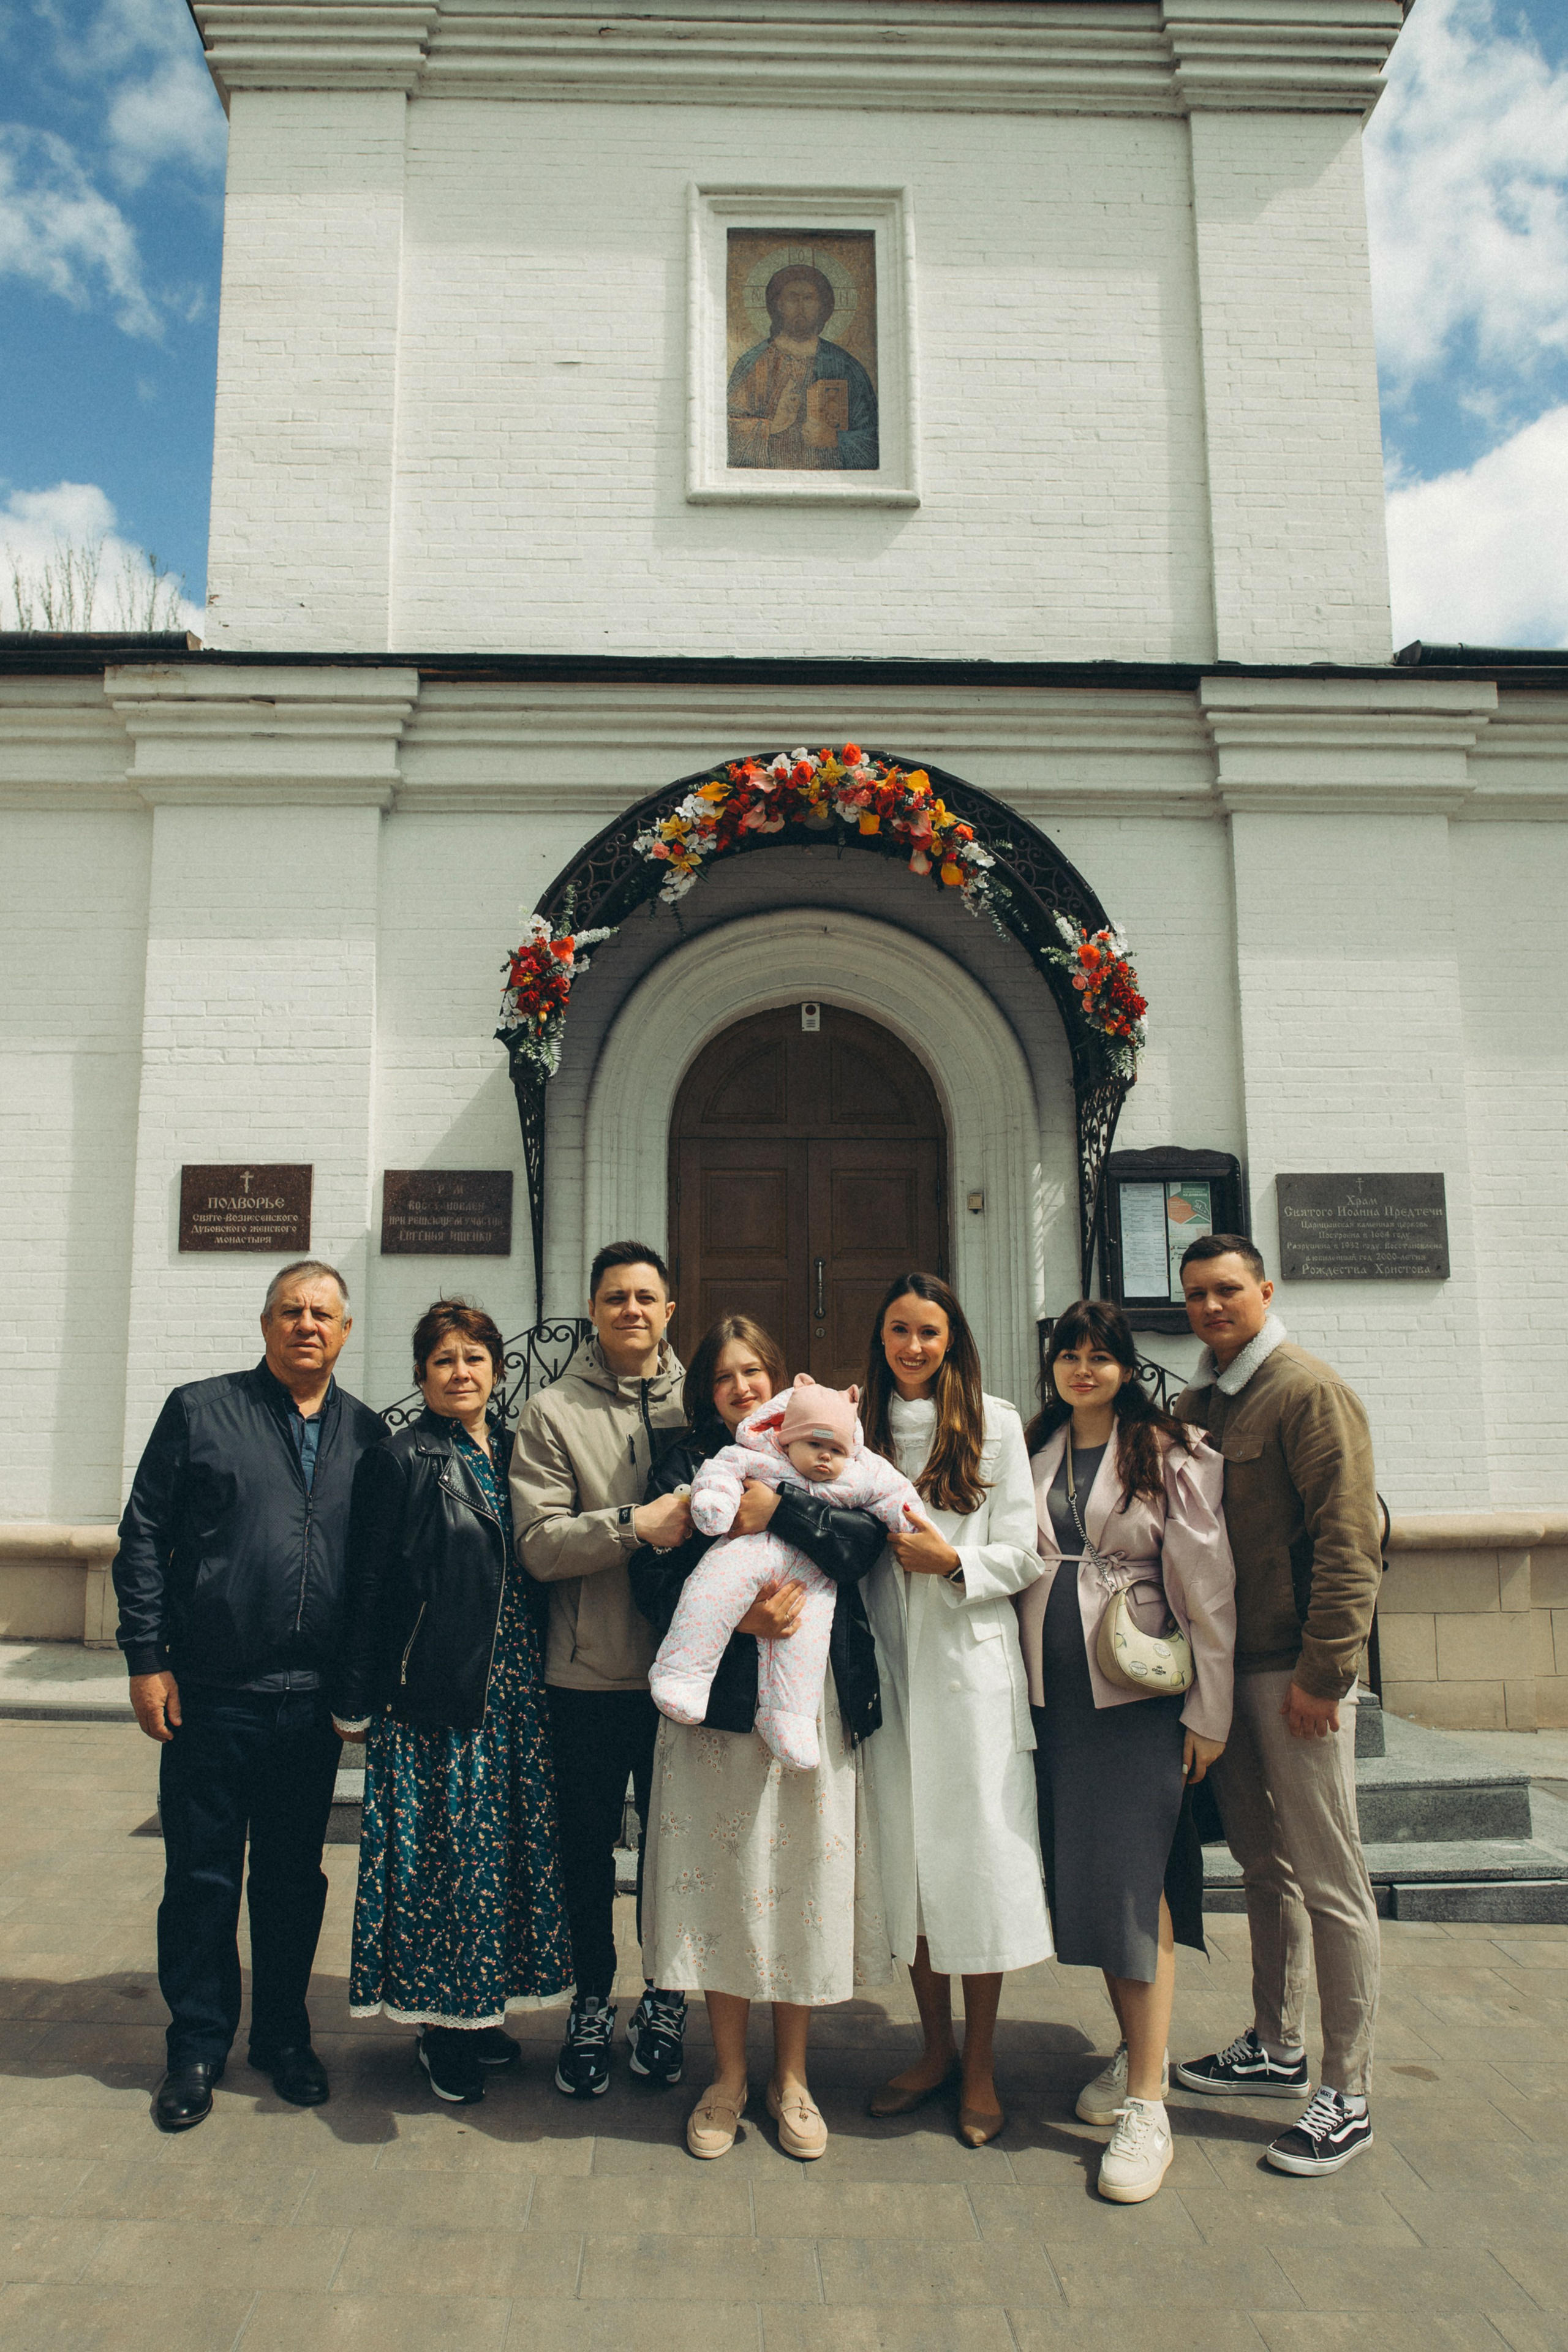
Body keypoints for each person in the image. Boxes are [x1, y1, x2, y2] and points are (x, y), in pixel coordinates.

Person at [111, 1260, 385, 2131]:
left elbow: (376, 1574)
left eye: (323, 1314)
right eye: (291, 1311)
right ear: (266, 1324)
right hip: (212, 1691)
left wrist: (361, 1688)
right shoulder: (201, 1412)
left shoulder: (367, 1434)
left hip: (309, 1704)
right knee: (200, 1875)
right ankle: (196, 2045)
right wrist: (146, 1658)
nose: (308, 1325)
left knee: (292, 1879)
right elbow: (143, 1536)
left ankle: (282, 2036)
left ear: (345, 1333)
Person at [631, 1315, 892, 2162]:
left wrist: (782, 1509)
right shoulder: (687, 1462)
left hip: (810, 1705)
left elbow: (865, 1543)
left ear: (780, 1378)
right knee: (728, 1886)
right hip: (720, 1709)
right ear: (706, 1392)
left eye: (754, 1372)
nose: (742, 1387)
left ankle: (793, 2078)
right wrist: (736, 1616)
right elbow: (652, 1575)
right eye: (724, 1376)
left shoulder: (828, 1443)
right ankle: (729, 2077)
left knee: (797, 1879)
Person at [1171, 1235, 1384, 2177]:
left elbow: (1349, 1540)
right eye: (1196, 1295)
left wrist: (1326, 1674)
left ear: (1264, 1290)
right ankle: (1275, 2042)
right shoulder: (1201, 1403)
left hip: (1292, 1673)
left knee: (1330, 1879)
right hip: (1227, 1670)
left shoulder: (1307, 1392)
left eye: (1227, 1290)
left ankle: (1348, 2091)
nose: (1211, 1307)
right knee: (1264, 1867)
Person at [1019, 1299, 1236, 2204]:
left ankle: (1150, 2104)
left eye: (1099, 1356)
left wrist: (1210, 1714)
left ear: (1125, 1365)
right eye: (1068, 1355)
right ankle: (1132, 2051)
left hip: (1137, 1698)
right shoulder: (1032, 1446)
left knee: (1134, 1883)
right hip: (1052, 1703)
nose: (1083, 1369)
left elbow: (1207, 1586)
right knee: (1093, 1883)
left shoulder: (1165, 1451)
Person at [331, 1300, 573, 2106]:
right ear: (421, 1374)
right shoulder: (399, 1459)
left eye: (474, 1358)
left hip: (515, 1692)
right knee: (445, 1867)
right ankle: (442, 2027)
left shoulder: (516, 1449)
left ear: (497, 1369)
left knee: (498, 1861)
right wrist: (357, 1697)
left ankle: (482, 2009)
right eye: (444, 1360)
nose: (460, 1373)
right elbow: (367, 1585)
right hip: (438, 1693)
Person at [860, 1272, 1052, 2149]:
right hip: (886, 1669)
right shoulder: (855, 1428)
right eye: (899, 1329)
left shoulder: (994, 1424)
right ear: (881, 1337)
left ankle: (980, 2063)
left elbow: (1024, 1551)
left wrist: (955, 1566)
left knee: (973, 1863)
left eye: (928, 1332)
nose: (913, 1346)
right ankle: (932, 2048)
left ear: (952, 1342)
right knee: (910, 1862)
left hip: (967, 1671)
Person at [510, 1240, 694, 2097]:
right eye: (615, 1297)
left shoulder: (705, 1402)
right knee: (583, 1852)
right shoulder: (552, 1411)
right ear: (593, 1310)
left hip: (688, 1680)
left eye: (645, 1297)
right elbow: (539, 1544)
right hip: (585, 1674)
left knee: (673, 1852)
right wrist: (631, 1525)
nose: (631, 1310)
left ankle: (666, 1997)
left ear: (669, 1311)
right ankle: (591, 2000)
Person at [651, 1374, 922, 1770]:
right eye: (814, 1445)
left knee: (806, 1642)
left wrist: (913, 1523)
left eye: (835, 1449)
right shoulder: (759, 1454)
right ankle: (683, 1674)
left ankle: (790, 1720)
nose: (825, 1457)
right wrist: (715, 1503)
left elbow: (893, 1494)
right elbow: (720, 1472)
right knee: (714, 1592)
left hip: (810, 1581)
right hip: (749, 1556)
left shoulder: (858, 1472)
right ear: (788, 1437)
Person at [727, 263, 879, 470]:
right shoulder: (753, 363)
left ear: (822, 306)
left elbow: (874, 440)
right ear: (778, 305)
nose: (800, 307)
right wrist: (771, 427)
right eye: (792, 298)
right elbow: (726, 432)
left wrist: (835, 439)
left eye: (808, 299)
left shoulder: (846, 366)